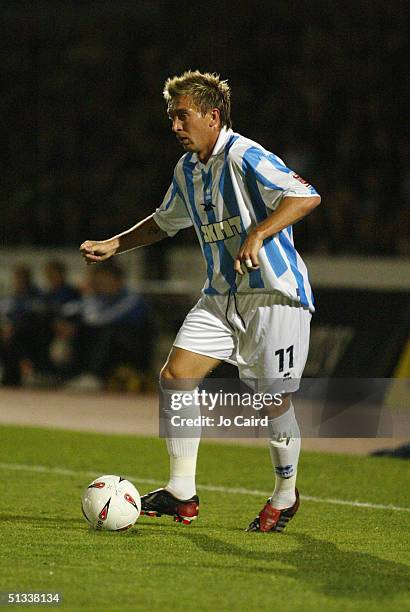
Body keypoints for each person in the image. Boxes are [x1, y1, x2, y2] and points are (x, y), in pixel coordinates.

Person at [80, 70, 321, 532]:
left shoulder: (245, 154)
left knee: (273, 402)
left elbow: (304, 195)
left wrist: (259, 231)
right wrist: (115, 243)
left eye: (181, 115)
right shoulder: (187, 169)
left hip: (275, 296)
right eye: (171, 116)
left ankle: (286, 495)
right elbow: (164, 221)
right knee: (175, 376)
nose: (174, 125)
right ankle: (181, 492)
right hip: (221, 297)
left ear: (212, 116)